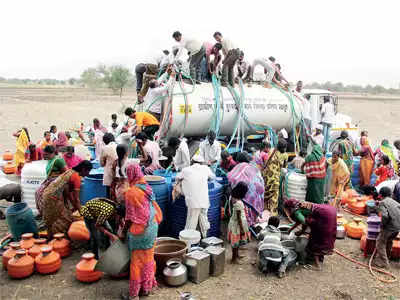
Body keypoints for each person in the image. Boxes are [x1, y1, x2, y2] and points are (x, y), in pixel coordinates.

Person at [119, 162, 162, 300]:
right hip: (152, 226)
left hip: (140, 230)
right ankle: (147, 288)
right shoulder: (147, 187)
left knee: (136, 263)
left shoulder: (131, 193)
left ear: (130, 174)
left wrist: (123, 232)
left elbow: (130, 217)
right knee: (149, 259)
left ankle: (134, 295)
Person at [41, 160, 92, 237]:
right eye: (88, 171)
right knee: (60, 219)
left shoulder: (70, 171)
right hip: (53, 198)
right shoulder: (76, 177)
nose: (88, 174)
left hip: (47, 194)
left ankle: (52, 237)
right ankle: (59, 238)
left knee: (56, 217)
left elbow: (68, 193)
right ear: (83, 169)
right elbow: (77, 199)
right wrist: (84, 214)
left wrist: (74, 206)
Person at [285, 199, 336, 270]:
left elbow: (304, 222)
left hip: (324, 216)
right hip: (330, 210)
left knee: (315, 239)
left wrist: (302, 231)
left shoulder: (296, 212)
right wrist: (290, 230)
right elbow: (300, 221)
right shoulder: (301, 204)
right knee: (327, 236)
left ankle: (317, 265)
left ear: (289, 207)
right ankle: (321, 258)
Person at [175, 154, 215, 237]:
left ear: (192, 162)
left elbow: (177, 177)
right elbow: (213, 177)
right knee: (203, 221)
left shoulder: (185, 170)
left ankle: (187, 243)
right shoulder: (205, 168)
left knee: (191, 223)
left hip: (193, 202)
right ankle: (205, 239)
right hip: (204, 201)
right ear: (201, 163)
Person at [227, 152, 264, 227]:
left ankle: (247, 223)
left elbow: (232, 178)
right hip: (257, 194)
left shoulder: (240, 167)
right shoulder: (253, 166)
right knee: (250, 211)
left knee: (243, 212)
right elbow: (260, 180)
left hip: (246, 195)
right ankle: (252, 220)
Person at [35, 145, 68, 216]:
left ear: (52, 153)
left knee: (44, 195)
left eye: (46, 154)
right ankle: (43, 213)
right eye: (44, 154)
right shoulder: (50, 160)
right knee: (38, 193)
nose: (44, 156)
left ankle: (48, 214)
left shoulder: (58, 160)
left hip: (57, 183)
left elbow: (66, 173)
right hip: (50, 181)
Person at [373, 187, 400, 268]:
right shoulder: (396, 202)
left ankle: (384, 262)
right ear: (390, 194)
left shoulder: (383, 203)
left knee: (380, 243)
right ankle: (387, 257)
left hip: (390, 227)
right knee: (389, 241)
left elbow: (384, 216)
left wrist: (382, 225)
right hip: (397, 227)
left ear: (380, 195)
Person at [262, 139, 288, 215]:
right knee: (274, 198)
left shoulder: (272, 151)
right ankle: (272, 215)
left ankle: (265, 213)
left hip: (266, 178)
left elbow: (266, 162)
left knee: (266, 196)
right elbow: (284, 169)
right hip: (274, 180)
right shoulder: (285, 155)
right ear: (284, 148)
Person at [227, 182, 251, 264]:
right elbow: (239, 218)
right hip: (237, 225)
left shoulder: (232, 197)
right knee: (235, 243)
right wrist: (241, 229)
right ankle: (234, 259)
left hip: (233, 223)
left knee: (236, 242)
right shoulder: (239, 203)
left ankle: (236, 255)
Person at [100, 133, 118, 198]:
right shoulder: (119, 146)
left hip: (110, 174)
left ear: (105, 141)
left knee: (109, 195)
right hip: (120, 174)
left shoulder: (105, 148)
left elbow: (102, 164)